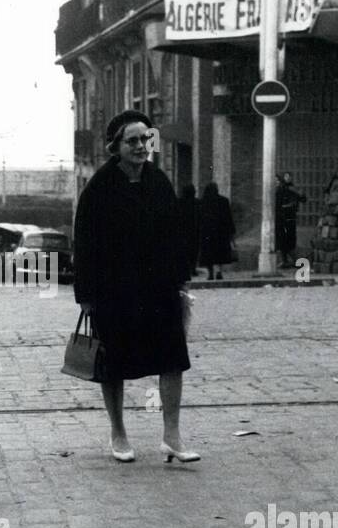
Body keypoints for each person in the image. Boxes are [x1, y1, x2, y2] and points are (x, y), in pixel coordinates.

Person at [74, 110, 198, 464]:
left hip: (159, 289)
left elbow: (175, 233)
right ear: (116, 146)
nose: (142, 146)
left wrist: (181, 280)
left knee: (173, 358)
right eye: (133, 141)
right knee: (112, 363)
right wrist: (86, 295)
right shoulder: (98, 188)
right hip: (114, 291)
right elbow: (83, 242)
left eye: (146, 139)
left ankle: (172, 436)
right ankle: (119, 433)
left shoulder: (158, 181)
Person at [198, 182, 236, 279]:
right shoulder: (223, 201)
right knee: (220, 253)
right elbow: (228, 218)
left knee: (208, 254)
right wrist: (231, 231)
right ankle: (219, 271)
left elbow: (200, 218)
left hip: (207, 233)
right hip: (221, 233)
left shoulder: (203, 202)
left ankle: (210, 273)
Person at [275, 172, 305, 268]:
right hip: (280, 219)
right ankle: (287, 261)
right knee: (282, 241)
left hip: (287, 218)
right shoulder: (278, 190)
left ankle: (293, 261)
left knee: (286, 241)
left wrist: (288, 206)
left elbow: (301, 199)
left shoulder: (288, 189)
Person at [179, 183, 200, 278]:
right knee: (194, 251)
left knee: (184, 251)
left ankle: (186, 269)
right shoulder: (197, 203)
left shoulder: (179, 202)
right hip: (195, 230)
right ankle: (193, 269)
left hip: (182, 230)